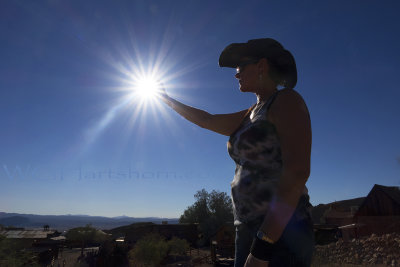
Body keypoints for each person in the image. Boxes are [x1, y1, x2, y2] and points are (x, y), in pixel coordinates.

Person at [159, 38, 314, 267]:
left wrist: (264, 244)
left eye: (240, 68)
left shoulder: (286, 100)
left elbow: (298, 172)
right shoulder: (250, 113)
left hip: (282, 230)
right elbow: (206, 119)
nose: (236, 74)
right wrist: (167, 100)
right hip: (247, 228)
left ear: (261, 66)